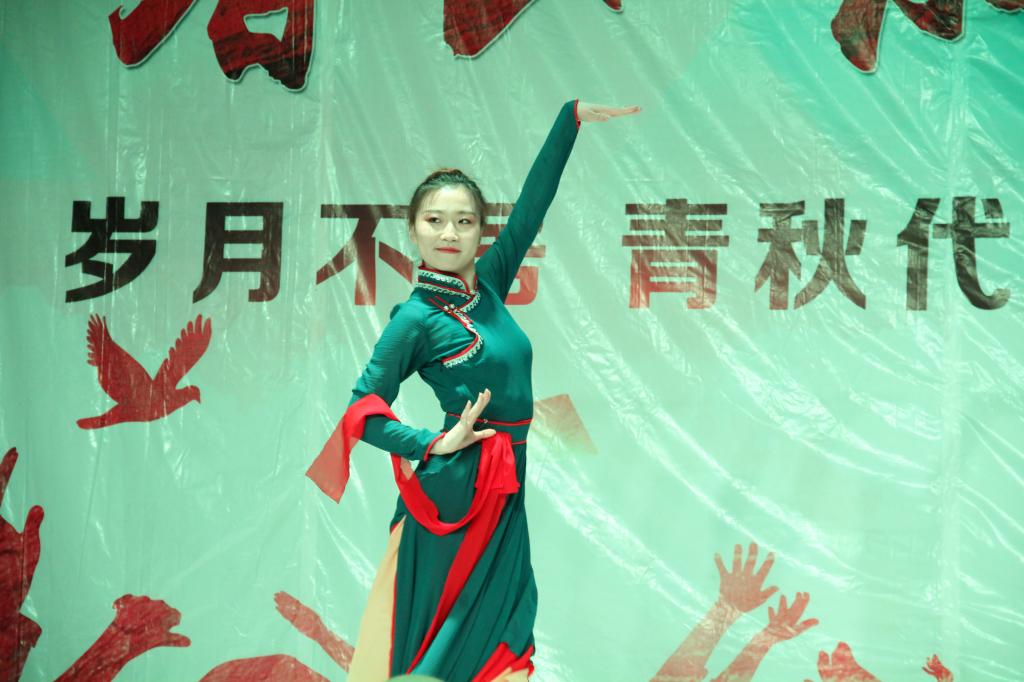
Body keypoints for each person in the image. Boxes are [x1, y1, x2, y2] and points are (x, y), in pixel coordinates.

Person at [307, 99, 640, 681]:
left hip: (507, 485)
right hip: (457, 496)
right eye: (434, 220)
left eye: (464, 221)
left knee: (505, 639)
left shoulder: (488, 284)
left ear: (480, 231)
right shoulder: (415, 319)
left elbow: (532, 208)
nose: (448, 233)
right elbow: (362, 410)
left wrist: (570, 119)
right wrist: (432, 444)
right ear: (412, 229)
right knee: (441, 651)